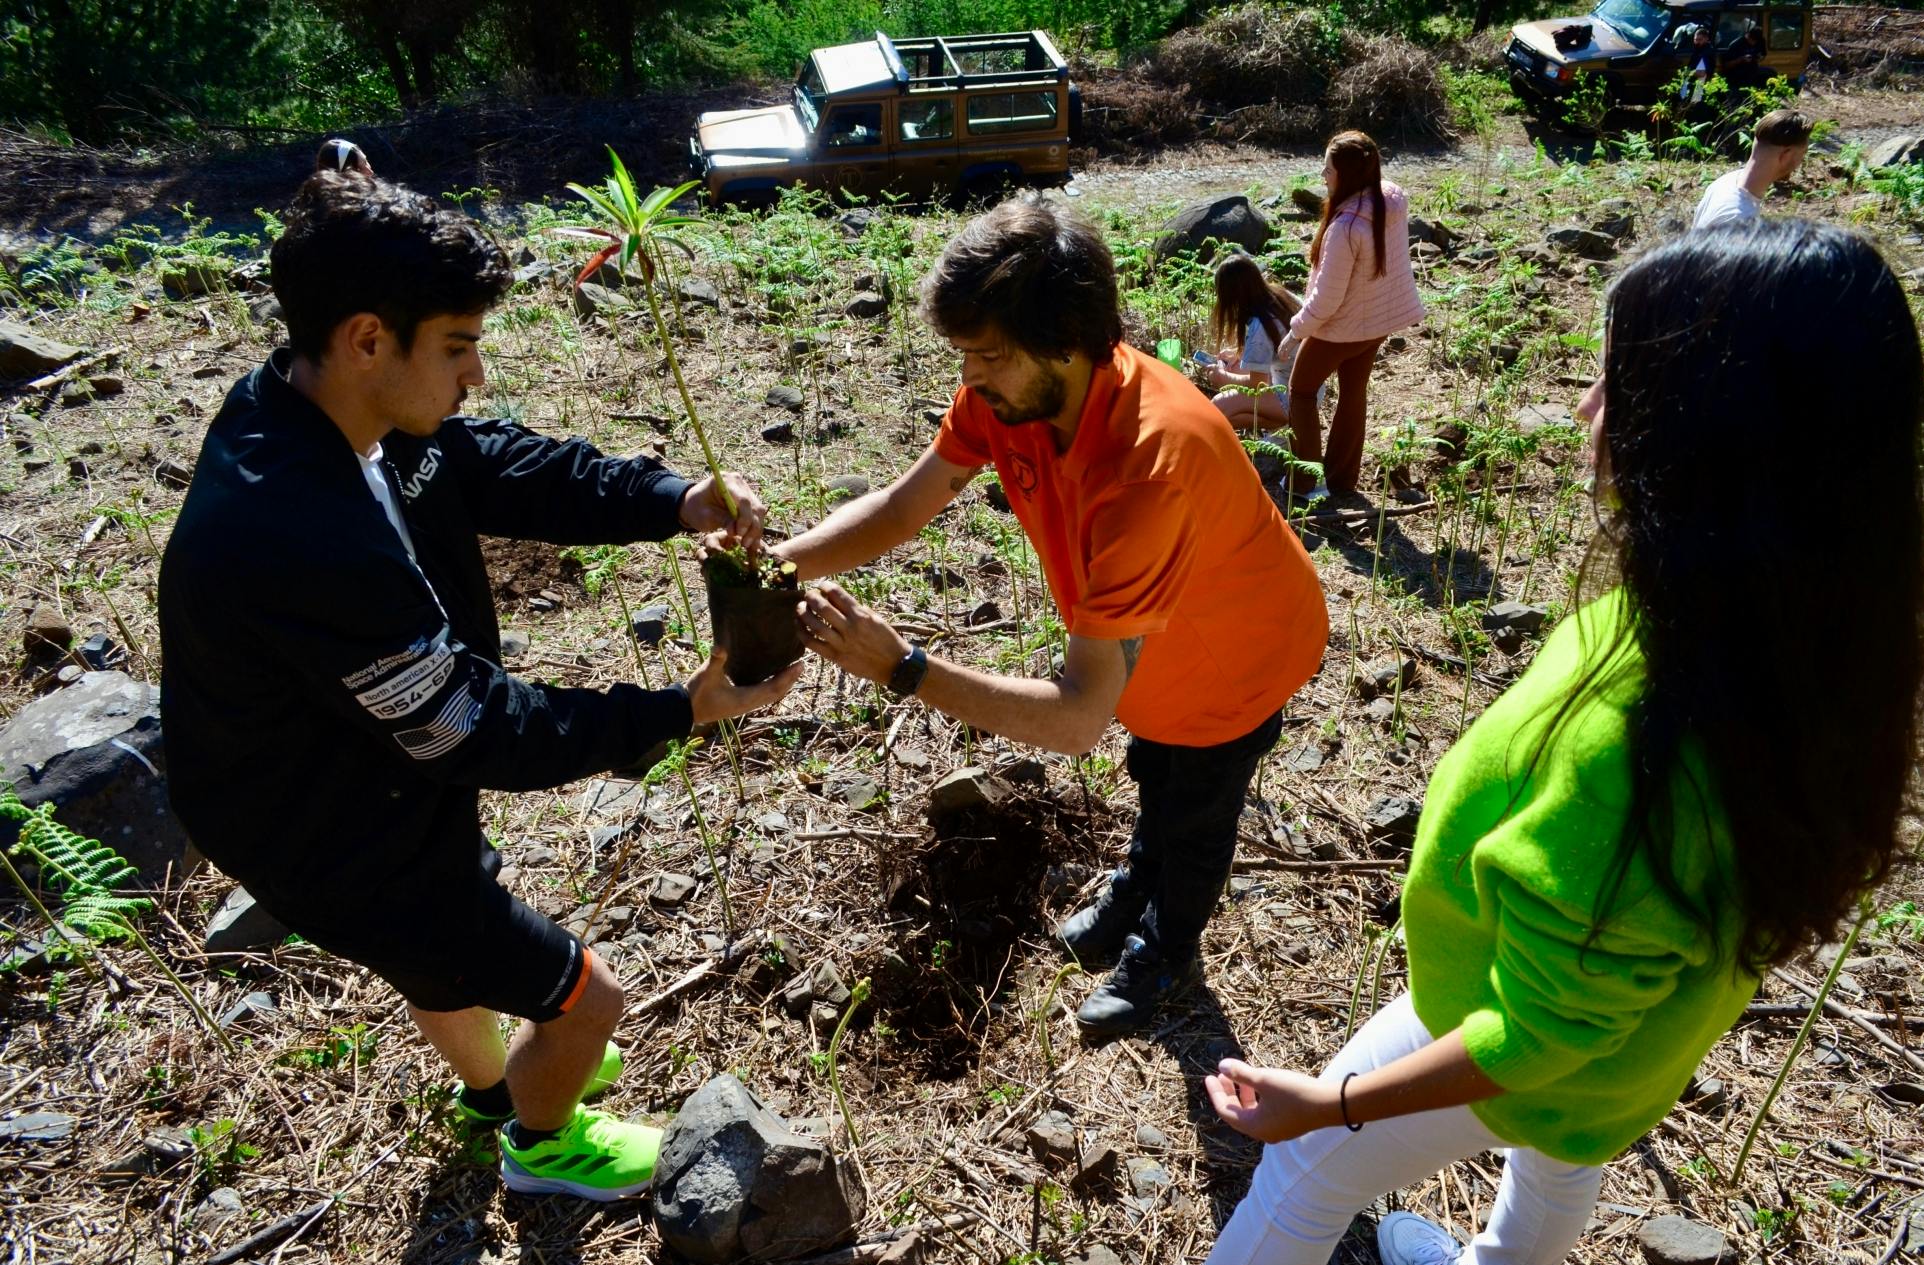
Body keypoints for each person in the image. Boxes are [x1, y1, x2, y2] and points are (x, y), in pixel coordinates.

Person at [1056, 220, 1924, 1265]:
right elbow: (1582, 1025)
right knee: (1565, 1148)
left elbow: (1536, 1035)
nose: (1583, 409)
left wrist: (1328, 1102)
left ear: (1708, 439)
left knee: (1306, 1171)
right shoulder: (1795, 623)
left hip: (1507, 1017)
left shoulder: (1641, 743)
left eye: (1612, 384)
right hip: (1625, 1051)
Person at [159, 170, 799, 1202]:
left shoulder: (313, 404)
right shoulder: (297, 527)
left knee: (446, 952)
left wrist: (669, 497)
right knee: (590, 998)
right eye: (456, 346)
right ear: (369, 337)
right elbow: (471, 727)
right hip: (321, 830)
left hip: (344, 764)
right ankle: (541, 1147)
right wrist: (678, 708)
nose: (475, 374)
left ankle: (495, 1087)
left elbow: (496, 465)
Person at [768, 198, 1329, 1035]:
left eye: (986, 356)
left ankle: (1168, 947)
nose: (968, 379)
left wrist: (903, 667)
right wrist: (777, 565)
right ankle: (1138, 885)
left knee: (1196, 810)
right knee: (1154, 775)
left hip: (1236, 655)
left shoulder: (1148, 468)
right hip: (1147, 655)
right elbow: (900, 505)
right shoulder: (1011, 401)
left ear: (1065, 338)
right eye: (963, 355)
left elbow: (1074, 719)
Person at [1279, 131, 1423, 500]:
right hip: (1377, 321)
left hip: (1342, 327)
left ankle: (1305, 483)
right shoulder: (1391, 196)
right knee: (1352, 392)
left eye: (1328, 170)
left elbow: (1327, 300)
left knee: (1301, 391)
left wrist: (1296, 331)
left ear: (1347, 174)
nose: (1323, 177)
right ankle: (1342, 482)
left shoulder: (1345, 228)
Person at [1196, 252, 1302, 435]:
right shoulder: (1280, 295)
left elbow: (1257, 386)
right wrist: (1240, 352)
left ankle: (1285, 423)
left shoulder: (1259, 326)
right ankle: (1280, 425)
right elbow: (1274, 345)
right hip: (1307, 387)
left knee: (1217, 409)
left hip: (1292, 396)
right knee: (1236, 367)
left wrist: (1223, 378)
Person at [1692, 108, 1811, 229]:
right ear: (1786, 155)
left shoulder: (1726, 181)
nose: (1800, 162)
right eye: (1802, 154)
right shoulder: (1738, 219)